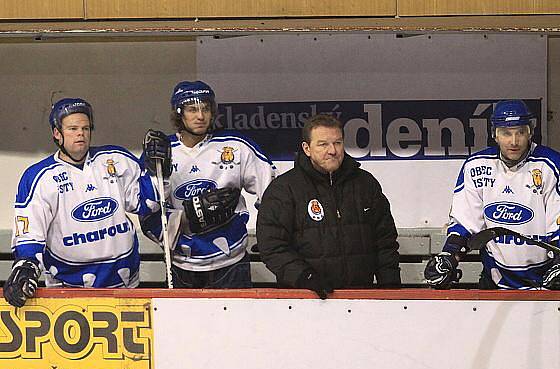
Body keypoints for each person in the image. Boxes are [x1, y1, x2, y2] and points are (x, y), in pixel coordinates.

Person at [3, 98, 159, 307]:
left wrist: (158, 174)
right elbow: (30, 232)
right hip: (67, 291)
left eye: (85, 128)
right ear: (57, 134)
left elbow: (146, 204)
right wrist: (26, 264)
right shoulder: (39, 177)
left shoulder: (115, 159)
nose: (81, 134)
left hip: (124, 285)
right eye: (73, 128)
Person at [140, 80, 276, 288]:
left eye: (205, 109)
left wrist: (270, 239)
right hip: (182, 264)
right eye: (192, 109)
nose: (200, 116)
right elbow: (147, 211)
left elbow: (273, 197)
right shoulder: (161, 153)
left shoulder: (235, 146)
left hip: (231, 263)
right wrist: (183, 222)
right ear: (179, 113)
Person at [256, 113, 401, 298]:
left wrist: (390, 286)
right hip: (305, 298)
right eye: (323, 144)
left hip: (361, 298)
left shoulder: (365, 184)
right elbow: (272, 246)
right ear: (307, 148)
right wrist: (305, 277)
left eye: (338, 143)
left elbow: (385, 240)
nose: (332, 150)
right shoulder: (283, 190)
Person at [424, 99, 560, 290]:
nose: (513, 141)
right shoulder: (477, 166)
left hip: (545, 280)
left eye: (520, 132)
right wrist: (449, 255)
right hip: (495, 281)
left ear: (530, 132)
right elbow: (465, 222)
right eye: (506, 133)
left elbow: (557, 223)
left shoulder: (550, 165)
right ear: (494, 134)